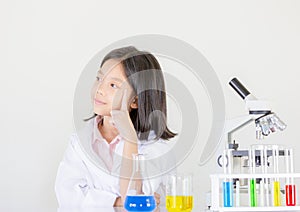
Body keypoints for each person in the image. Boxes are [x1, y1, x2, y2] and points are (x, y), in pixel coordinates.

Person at [55, 46, 177, 208]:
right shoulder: (79, 142)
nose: (99, 89)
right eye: (99, 79)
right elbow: (68, 197)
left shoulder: (156, 148)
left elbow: (135, 201)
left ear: (135, 101)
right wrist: (117, 203)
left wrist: (130, 139)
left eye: (113, 85)